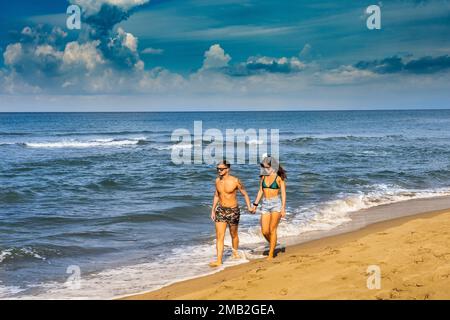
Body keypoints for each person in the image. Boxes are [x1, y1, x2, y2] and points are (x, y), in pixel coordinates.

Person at [210, 160, 253, 267]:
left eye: (221, 169)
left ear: (227, 169)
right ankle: (219, 260)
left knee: (233, 234)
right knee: (220, 236)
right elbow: (216, 195)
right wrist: (213, 210)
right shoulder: (217, 181)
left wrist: (249, 207)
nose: (219, 171)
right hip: (221, 210)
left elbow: (245, 194)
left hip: (233, 211)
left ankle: (235, 252)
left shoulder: (235, 181)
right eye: (218, 169)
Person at [250, 156, 287, 260]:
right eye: (264, 167)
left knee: (272, 229)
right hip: (265, 204)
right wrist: (255, 205)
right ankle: (273, 244)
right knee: (264, 231)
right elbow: (260, 191)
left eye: (267, 167)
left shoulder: (279, 178)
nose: (266, 170)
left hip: (276, 204)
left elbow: (283, 194)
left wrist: (283, 208)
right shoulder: (263, 176)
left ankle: (271, 254)